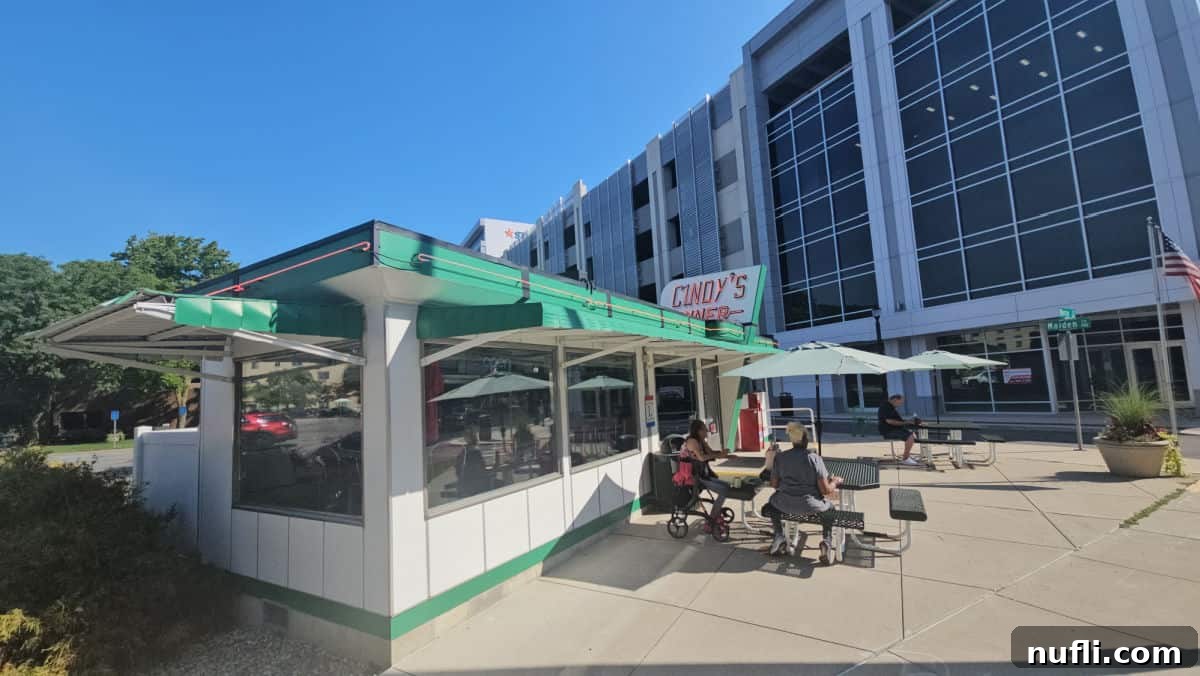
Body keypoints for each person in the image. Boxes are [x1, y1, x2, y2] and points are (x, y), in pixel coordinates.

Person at [761, 422, 843, 563]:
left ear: (792, 440)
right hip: (809, 505)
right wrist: (835, 481)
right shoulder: (814, 458)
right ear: (805, 439)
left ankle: (779, 536)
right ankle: (827, 541)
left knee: (771, 504)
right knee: (831, 509)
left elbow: (774, 484)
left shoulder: (780, 457)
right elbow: (826, 490)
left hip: (783, 503)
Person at [682, 419, 731, 524]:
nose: (707, 432)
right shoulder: (692, 442)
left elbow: (711, 452)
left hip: (704, 473)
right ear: (698, 431)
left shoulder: (701, 441)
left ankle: (715, 513)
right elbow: (701, 458)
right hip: (696, 476)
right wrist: (719, 455)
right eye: (704, 430)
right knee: (724, 490)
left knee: (727, 486)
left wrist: (726, 455)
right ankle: (712, 519)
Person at [878, 393, 919, 465]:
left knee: (912, 435)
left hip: (893, 429)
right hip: (888, 430)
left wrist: (909, 421)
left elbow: (897, 420)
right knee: (910, 437)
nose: (900, 404)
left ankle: (907, 455)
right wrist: (906, 423)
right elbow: (890, 421)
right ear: (895, 400)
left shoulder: (891, 407)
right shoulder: (885, 407)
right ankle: (905, 458)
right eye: (900, 402)